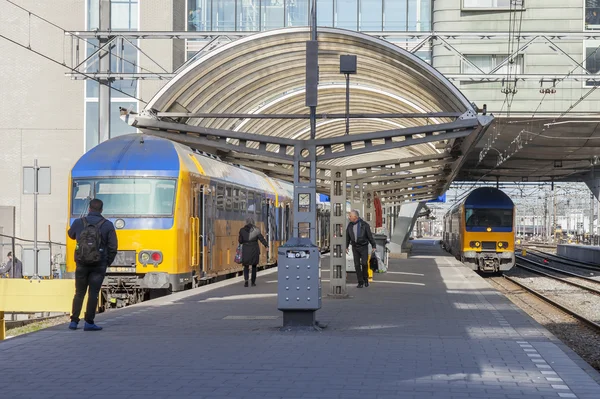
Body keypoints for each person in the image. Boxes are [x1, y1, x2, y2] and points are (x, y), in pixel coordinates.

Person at [67, 198, 118, 331]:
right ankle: (89, 322)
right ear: (101, 210)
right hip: (99, 264)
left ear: (89, 209)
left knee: (79, 293)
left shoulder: (79, 222)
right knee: (93, 293)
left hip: (81, 264)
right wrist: (107, 261)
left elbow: (70, 234)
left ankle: (74, 321)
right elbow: (113, 246)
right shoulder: (107, 225)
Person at [346, 209, 376, 288]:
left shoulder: (364, 225)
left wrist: (374, 245)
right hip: (355, 247)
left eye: (350, 216)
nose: (349, 217)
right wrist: (346, 246)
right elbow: (347, 237)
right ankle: (360, 282)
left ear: (355, 217)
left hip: (363, 246)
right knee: (356, 265)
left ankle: (365, 279)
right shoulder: (350, 225)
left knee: (364, 263)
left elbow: (369, 236)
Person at [238, 217, 268, 287]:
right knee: (254, 266)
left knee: (246, 266)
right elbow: (261, 239)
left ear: (246, 222)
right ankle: (253, 282)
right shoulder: (256, 230)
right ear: (253, 223)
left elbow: (240, 241)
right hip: (254, 249)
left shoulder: (242, 230)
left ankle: (246, 281)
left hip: (246, 250)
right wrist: (266, 246)